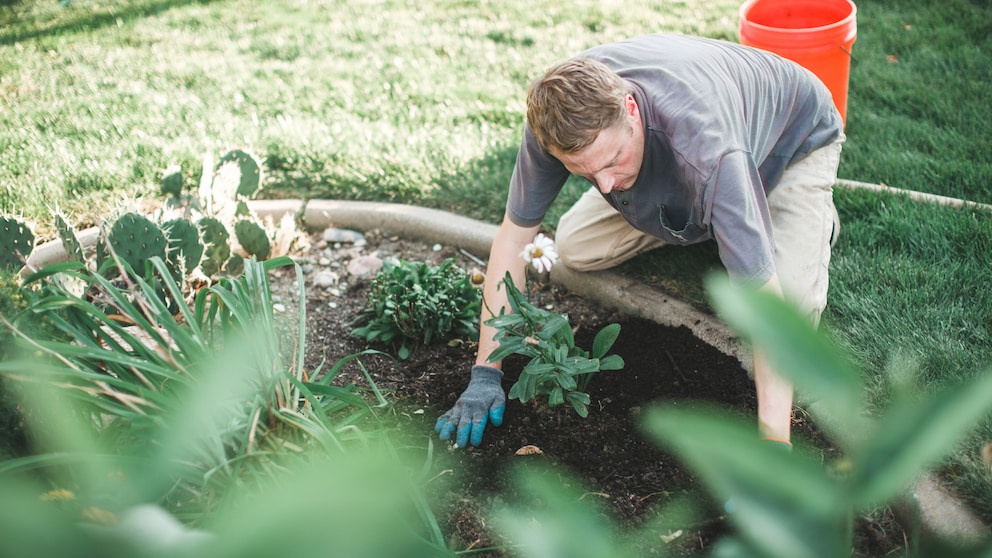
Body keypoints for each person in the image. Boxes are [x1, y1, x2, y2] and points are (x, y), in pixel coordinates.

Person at [434, 33, 845, 449]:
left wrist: (773, 446)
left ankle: (791, 221)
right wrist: (486, 373)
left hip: (791, 142)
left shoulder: (710, 152)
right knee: (576, 248)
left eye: (612, 161)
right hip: (694, 157)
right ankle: (718, 222)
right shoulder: (556, 121)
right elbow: (513, 239)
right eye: (587, 174)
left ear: (630, 109)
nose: (608, 185)